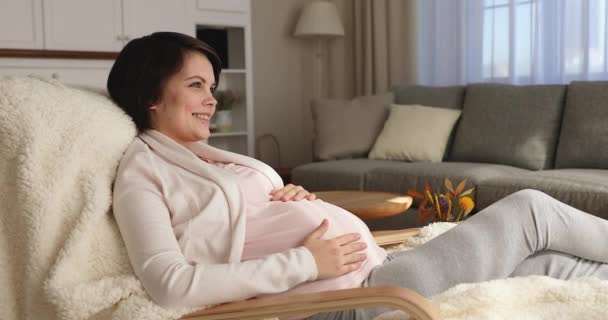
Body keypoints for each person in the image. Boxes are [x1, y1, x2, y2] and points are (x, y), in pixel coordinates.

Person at [108, 32, 608, 320]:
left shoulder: (205, 157)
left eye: (212, 86)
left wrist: (290, 196)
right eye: (196, 86)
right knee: (531, 210)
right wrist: (305, 260)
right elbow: (171, 285)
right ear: (151, 95)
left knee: (548, 263)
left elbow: (243, 219)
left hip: (372, 272)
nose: (212, 99)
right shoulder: (143, 172)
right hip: (359, 298)